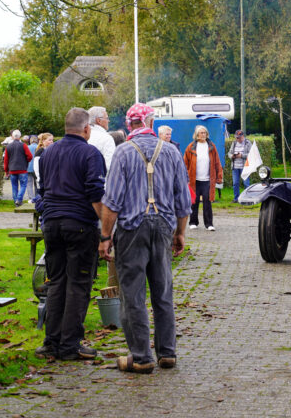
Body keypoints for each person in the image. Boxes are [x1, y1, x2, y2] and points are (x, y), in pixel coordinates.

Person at [98, 103, 191, 373]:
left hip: (131, 229)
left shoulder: (123, 152)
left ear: (130, 125)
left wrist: (105, 236)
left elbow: (112, 201)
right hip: (163, 226)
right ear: (150, 122)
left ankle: (140, 357)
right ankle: (167, 354)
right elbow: (183, 201)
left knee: (133, 294)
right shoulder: (171, 151)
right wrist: (180, 232)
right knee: (163, 291)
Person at [35, 108, 106, 361]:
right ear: (86, 129)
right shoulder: (90, 153)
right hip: (79, 224)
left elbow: (42, 190)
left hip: (51, 223)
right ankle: (70, 345)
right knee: (78, 284)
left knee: (56, 282)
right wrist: (106, 231)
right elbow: (95, 192)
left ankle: (51, 342)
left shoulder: (48, 152)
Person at [183, 125, 223, 231]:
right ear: (196, 135)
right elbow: (185, 163)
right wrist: (185, 177)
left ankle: (209, 224)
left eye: (205, 132)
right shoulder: (191, 147)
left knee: (207, 202)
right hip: (194, 180)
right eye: (201, 133)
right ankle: (193, 222)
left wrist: (219, 177)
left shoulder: (211, 146)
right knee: (194, 202)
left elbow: (217, 162)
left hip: (207, 180)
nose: (203, 134)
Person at [4, 129, 32, 207]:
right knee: (23, 185)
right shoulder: (24, 145)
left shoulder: (8, 147)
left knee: (14, 186)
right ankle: (19, 200)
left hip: (12, 170)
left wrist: (6, 171)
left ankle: (16, 202)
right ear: (20, 137)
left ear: (12, 137)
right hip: (22, 169)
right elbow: (30, 156)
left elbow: (6, 160)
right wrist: (26, 161)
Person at [88, 106, 116, 171]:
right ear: (99, 120)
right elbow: (110, 167)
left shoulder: (83, 136)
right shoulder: (107, 139)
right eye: (107, 118)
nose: (108, 121)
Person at [228, 129, 251, 202]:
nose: (237, 139)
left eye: (239, 137)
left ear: (243, 136)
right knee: (235, 183)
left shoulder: (248, 143)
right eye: (236, 137)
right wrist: (232, 156)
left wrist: (242, 155)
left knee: (246, 183)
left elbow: (251, 155)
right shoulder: (234, 143)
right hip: (235, 167)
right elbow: (229, 153)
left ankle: (247, 199)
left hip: (245, 167)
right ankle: (236, 198)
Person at [26, 135, 39, 203]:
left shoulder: (27, 147)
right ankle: (37, 197)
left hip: (28, 167)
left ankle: (31, 198)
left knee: (29, 184)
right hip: (37, 168)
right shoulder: (39, 147)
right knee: (37, 183)